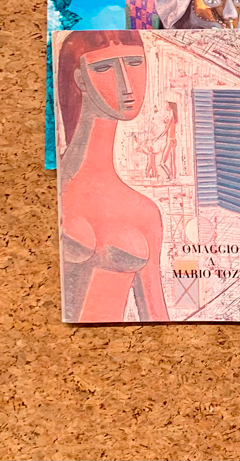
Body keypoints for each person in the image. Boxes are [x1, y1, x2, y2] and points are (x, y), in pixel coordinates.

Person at [56, 31, 169, 323]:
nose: (126, 85)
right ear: (80, 79)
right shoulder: (56, 191)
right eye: (103, 67)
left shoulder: (144, 212)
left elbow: (156, 315)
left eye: (134, 63)